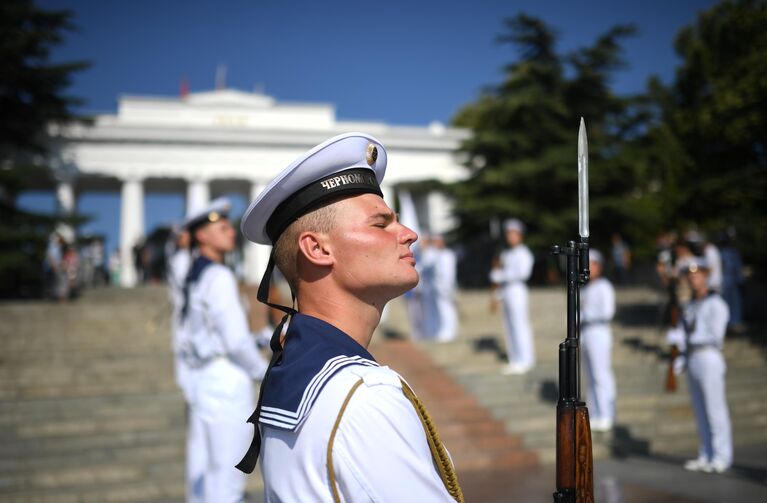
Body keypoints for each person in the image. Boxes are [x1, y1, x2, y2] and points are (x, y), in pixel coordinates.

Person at [237, 132, 464, 502]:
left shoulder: (296, 375)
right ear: (317, 248)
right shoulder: (366, 397)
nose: (409, 234)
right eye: (381, 224)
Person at [179, 198, 268, 503]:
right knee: (228, 480)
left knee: (206, 478)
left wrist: (260, 338)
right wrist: (264, 373)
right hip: (227, 379)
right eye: (223, 227)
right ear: (202, 236)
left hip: (205, 378)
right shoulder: (219, 276)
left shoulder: (196, 275)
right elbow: (234, 342)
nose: (231, 232)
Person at [666, 258, 732, 474]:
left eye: (697, 274)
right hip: (693, 357)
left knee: (715, 409)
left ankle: (722, 456)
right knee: (700, 410)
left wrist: (688, 338)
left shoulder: (716, 303)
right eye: (690, 275)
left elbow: (716, 336)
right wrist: (680, 350)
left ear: (705, 275)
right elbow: (685, 333)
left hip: (709, 356)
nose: (693, 278)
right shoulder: (691, 305)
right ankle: (706, 453)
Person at [489, 218, 536, 375]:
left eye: (513, 233)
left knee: (519, 325)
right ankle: (515, 358)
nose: (510, 236)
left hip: (517, 290)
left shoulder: (524, 253)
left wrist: (500, 275)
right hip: (507, 291)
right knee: (509, 325)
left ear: (520, 235)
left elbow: (523, 273)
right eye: (508, 233)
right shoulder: (507, 253)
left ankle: (526, 359)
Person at [580, 249, 616, 432]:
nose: (588, 268)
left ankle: (607, 413)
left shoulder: (604, 286)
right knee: (590, 376)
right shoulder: (584, 288)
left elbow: (607, 312)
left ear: (599, 267)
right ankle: (595, 413)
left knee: (601, 374)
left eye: (592, 264)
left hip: (599, 330)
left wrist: (586, 314)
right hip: (586, 332)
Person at [421, 234, 458, 342]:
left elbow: (449, 273)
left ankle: (450, 332)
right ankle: (442, 331)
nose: (436, 244)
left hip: (446, 287)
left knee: (447, 310)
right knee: (440, 310)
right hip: (437, 287)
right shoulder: (437, 254)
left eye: (438, 241)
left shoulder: (448, 254)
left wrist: (447, 287)